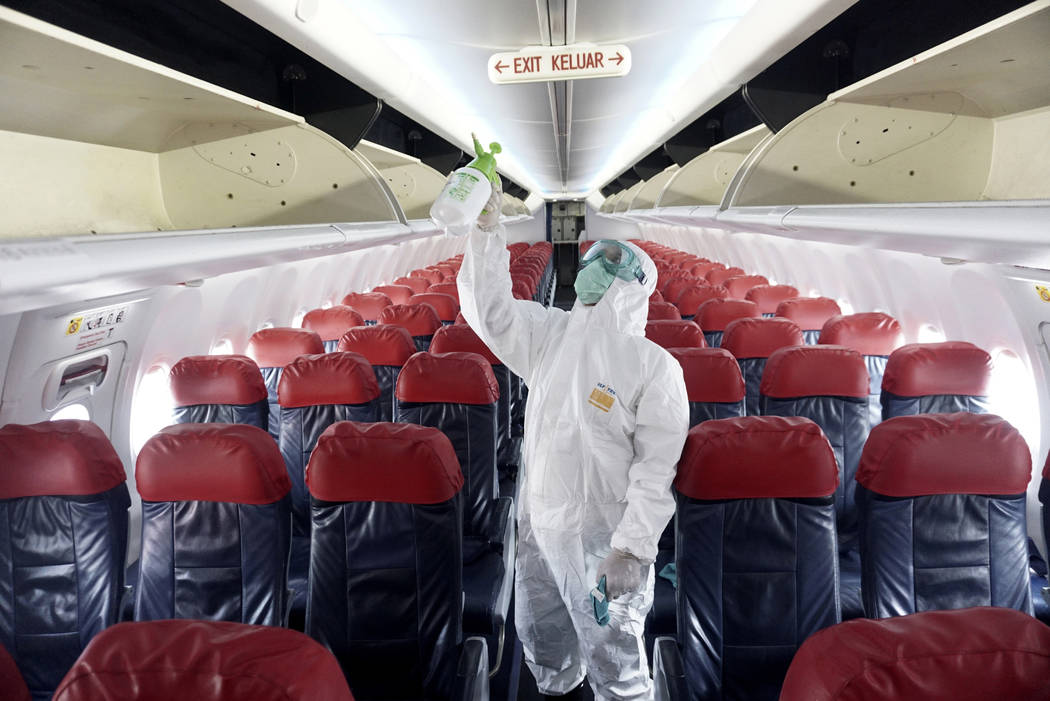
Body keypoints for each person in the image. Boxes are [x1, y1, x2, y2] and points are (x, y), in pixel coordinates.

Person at [457, 181, 689, 700]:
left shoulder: (654, 366)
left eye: (609, 259)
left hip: (602, 539)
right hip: (538, 523)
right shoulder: (550, 335)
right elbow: (489, 311)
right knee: (543, 642)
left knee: (617, 660)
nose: (592, 266)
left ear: (634, 282)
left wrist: (631, 549)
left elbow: (656, 471)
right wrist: (487, 232)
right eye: (591, 258)